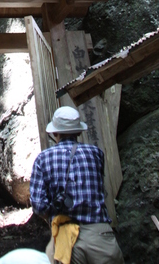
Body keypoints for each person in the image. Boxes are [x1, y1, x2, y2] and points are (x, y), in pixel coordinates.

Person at [30, 106, 124, 264]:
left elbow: (39, 205)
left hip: (65, 238)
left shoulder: (43, 159)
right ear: (79, 131)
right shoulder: (96, 154)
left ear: (54, 132)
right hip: (99, 234)